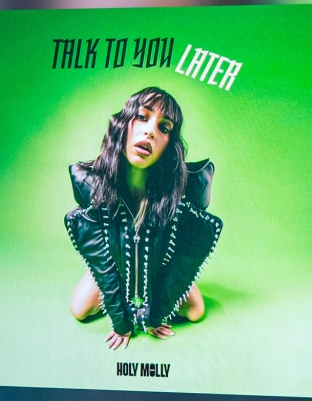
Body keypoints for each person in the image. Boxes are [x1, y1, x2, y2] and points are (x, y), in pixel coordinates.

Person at [65, 87, 219, 349]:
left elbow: (183, 259)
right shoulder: (95, 188)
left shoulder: (177, 196)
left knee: (195, 311)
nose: (150, 132)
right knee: (79, 309)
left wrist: (155, 315)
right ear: (123, 125)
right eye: (141, 117)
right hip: (112, 262)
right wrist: (121, 322)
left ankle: (149, 289)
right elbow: (99, 255)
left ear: (169, 145)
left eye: (164, 127)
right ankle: (112, 281)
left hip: (160, 270)